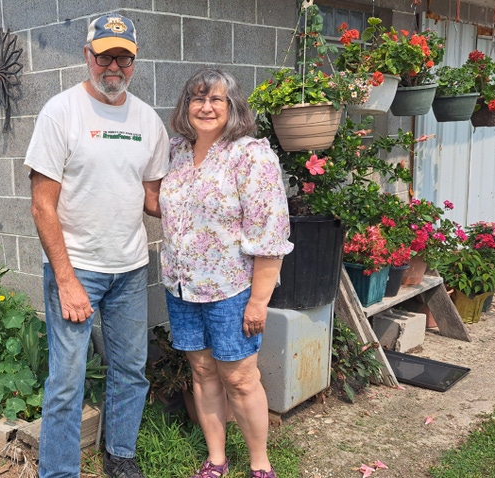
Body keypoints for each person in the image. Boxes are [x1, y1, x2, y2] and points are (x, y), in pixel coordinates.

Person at [23, 13, 170, 478]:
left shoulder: (147, 120)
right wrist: (65, 280)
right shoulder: (61, 112)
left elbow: (152, 199)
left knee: (131, 370)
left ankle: (120, 455)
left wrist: (202, 204)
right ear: (87, 55)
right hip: (77, 270)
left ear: (134, 62)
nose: (114, 66)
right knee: (66, 382)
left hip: (129, 268)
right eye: (105, 55)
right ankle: (60, 472)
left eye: (123, 57)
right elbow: (42, 206)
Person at [159, 68, 293, 478]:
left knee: (240, 378)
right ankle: (216, 459)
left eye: (216, 99)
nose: (205, 107)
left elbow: (270, 232)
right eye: (197, 99)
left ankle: (260, 464)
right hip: (181, 285)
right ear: (186, 107)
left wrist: (258, 301)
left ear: (233, 107)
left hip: (230, 290)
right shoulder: (176, 151)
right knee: (201, 372)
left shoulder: (249, 155)